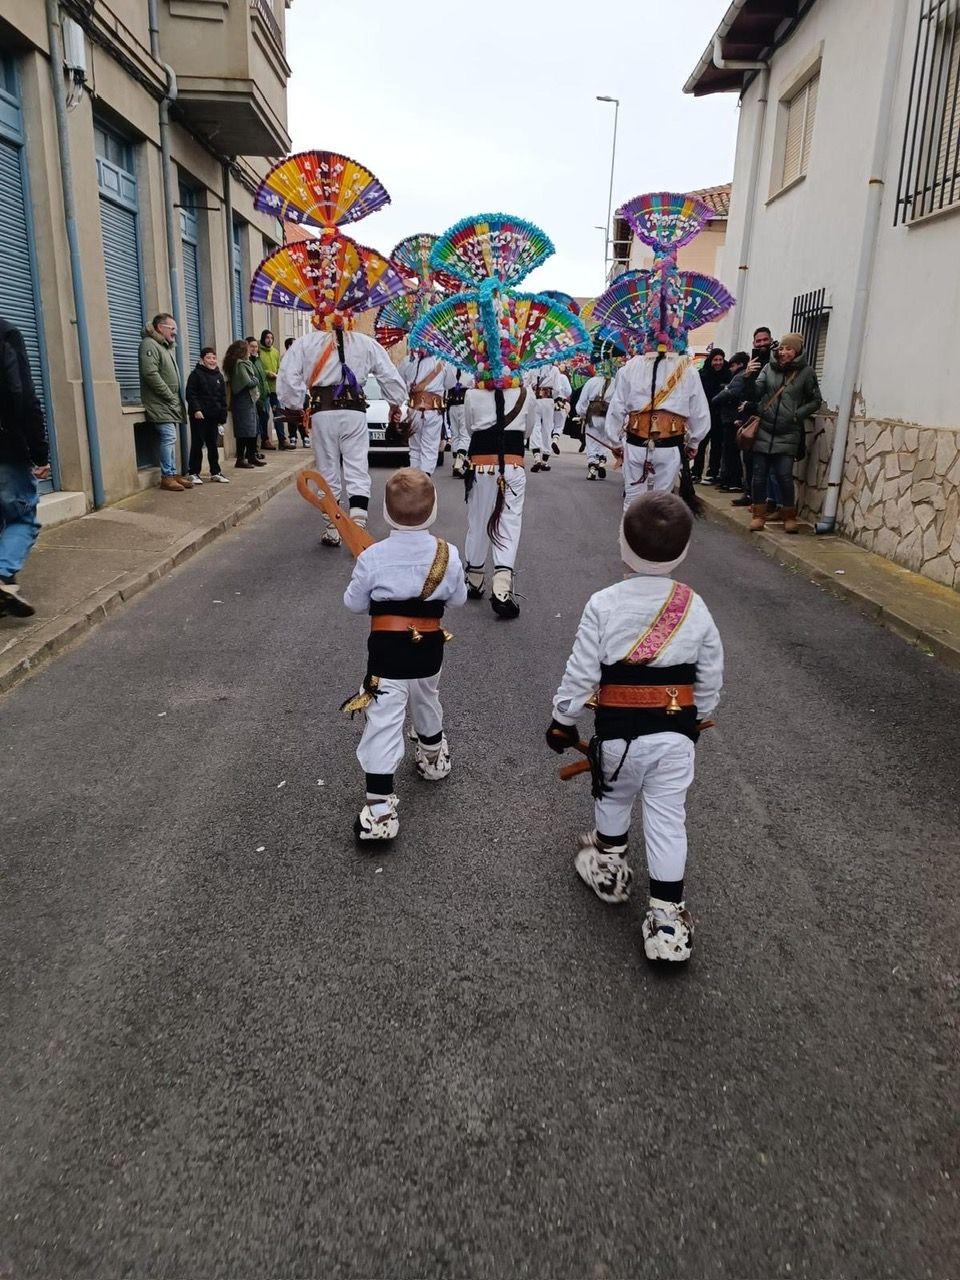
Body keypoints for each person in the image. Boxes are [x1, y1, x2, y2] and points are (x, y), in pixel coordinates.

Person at [546, 491, 723, 963]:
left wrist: (563, 720)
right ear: (683, 552)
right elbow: (710, 673)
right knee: (667, 818)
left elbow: (581, 673)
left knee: (613, 793)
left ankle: (609, 864)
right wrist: (698, 716)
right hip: (674, 734)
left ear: (622, 543)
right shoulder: (695, 606)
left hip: (618, 735)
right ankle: (667, 919)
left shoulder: (602, 605)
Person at [342, 468, 467, 843]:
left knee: (383, 719)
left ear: (385, 512)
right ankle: (432, 757)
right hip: (429, 650)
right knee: (426, 695)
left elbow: (353, 604)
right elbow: (459, 599)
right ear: (432, 513)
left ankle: (380, 810)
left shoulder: (373, 557)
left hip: (387, 654)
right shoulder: (448, 553)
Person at [277, 322, 406, 546]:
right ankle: (357, 526)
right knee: (357, 467)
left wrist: (298, 403)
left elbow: (288, 376)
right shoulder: (365, 343)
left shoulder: (306, 343)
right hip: (354, 411)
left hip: (322, 412)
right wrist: (394, 404)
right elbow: (389, 375)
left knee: (328, 470)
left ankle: (333, 528)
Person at [747, 332, 822, 535]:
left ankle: (789, 515)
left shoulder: (806, 373)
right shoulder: (768, 368)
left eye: (788, 348)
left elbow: (816, 400)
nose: (784, 352)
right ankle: (758, 515)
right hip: (764, 429)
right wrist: (748, 377)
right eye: (781, 348)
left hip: (788, 431)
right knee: (759, 476)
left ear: (796, 351)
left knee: (784, 475)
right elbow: (756, 392)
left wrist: (797, 415)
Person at [0, 318, 50, 617]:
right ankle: (3, 575)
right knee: (22, 519)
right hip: (5, 448)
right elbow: (22, 396)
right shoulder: (6, 334)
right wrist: (39, 452)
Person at [716, 326, 774, 507]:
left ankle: (766, 501)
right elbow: (748, 393)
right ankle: (749, 494)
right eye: (759, 341)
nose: (762, 344)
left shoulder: (775, 363)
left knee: (767, 465)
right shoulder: (751, 364)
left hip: (769, 420)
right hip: (750, 420)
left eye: (765, 340)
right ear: (753, 343)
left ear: (771, 340)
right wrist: (748, 375)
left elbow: (770, 394)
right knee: (748, 460)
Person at [138, 312, 187, 491]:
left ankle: (172, 473)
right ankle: (167, 476)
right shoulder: (149, 345)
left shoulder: (163, 346)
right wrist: (168, 394)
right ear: (160, 328)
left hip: (167, 402)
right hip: (159, 402)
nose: (175, 332)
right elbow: (150, 374)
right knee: (168, 436)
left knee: (170, 437)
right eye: (172, 328)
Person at [398, 348, 446, 476]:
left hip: (414, 409)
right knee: (429, 448)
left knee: (415, 448)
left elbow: (399, 382)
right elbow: (450, 383)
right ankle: (425, 481)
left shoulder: (407, 360)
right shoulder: (442, 361)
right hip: (433, 409)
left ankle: (415, 481)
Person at [185, 347, 229, 484]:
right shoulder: (196, 374)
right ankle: (193, 472)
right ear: (202, 359)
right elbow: (190, 394)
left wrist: (222, 416)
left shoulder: (218, 376)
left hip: (214, 417)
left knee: (213, 445)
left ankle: (215, 472)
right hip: (199, 416)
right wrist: (196, 409)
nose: (212, 360)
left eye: (214, 358)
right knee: (197, 444)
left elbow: (223, 397)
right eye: (209, 358)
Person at [223, 340, 264, 469]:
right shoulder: (240, 365)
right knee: (244, 431)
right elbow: (247, 382)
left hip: (248, 401)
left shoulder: (245, 363)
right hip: (242, 402)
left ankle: (251, 455)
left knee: (252, 429)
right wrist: (255, 380)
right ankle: (241, 458)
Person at [714, 350, 749, 491]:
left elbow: (730, 393)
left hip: (732, 419)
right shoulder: (739, 376)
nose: (730, 368)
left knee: (731, 452)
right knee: (728, 451)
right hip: (730, 418)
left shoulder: (739, 377)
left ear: (740, 364)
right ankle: (728, 480)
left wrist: (719, 396)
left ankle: (733, 482)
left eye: (733, 365)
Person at [693, 348, 729, 483]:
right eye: (715, 360)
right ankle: (696, 472)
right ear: (710, 360)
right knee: (701, 444)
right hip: (704, 414)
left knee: (717, 446)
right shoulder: (703, 374)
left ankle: (713, 473)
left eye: (720, 359)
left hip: (720, 416)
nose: (718, 363)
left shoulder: (728, 374)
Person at [576, 367, 616, 480]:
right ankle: (602, 460)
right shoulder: (615, 382)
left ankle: (592, 466)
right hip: (608, 412)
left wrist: (582, 414)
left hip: (593, 411)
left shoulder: (591, 381)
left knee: (591, 438)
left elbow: (583, 400)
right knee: (604, 438)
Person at [525, 362, 564, 473]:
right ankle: (545, 460)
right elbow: (557, 389)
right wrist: (554, 398)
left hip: (534, 399)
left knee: (535, 426)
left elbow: (526, 384)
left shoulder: (532, 368)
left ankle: (536, 457)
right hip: (548, 400)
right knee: (547, 427)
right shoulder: (554, 370)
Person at [258, 329, 291, 450]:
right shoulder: (258, 351)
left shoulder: (275, 352)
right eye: (267, 338)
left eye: (271, 338)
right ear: (263, 338)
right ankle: (265, 439)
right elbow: (258, 368)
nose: (269, 340)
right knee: (265, 414)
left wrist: (277, 373)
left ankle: (282, 439)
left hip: (275, 387)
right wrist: (267, 373)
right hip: (264, 387)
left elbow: (279, 367)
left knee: (279, 414)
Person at [443, 363, 474, 478]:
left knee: (455, 434)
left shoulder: (449, 363)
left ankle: (457, 461)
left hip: (452, 402)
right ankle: (459, 464)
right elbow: (474, 382)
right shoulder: (470, 363)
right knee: (465, 434)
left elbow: (445, 382)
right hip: (465, 401)